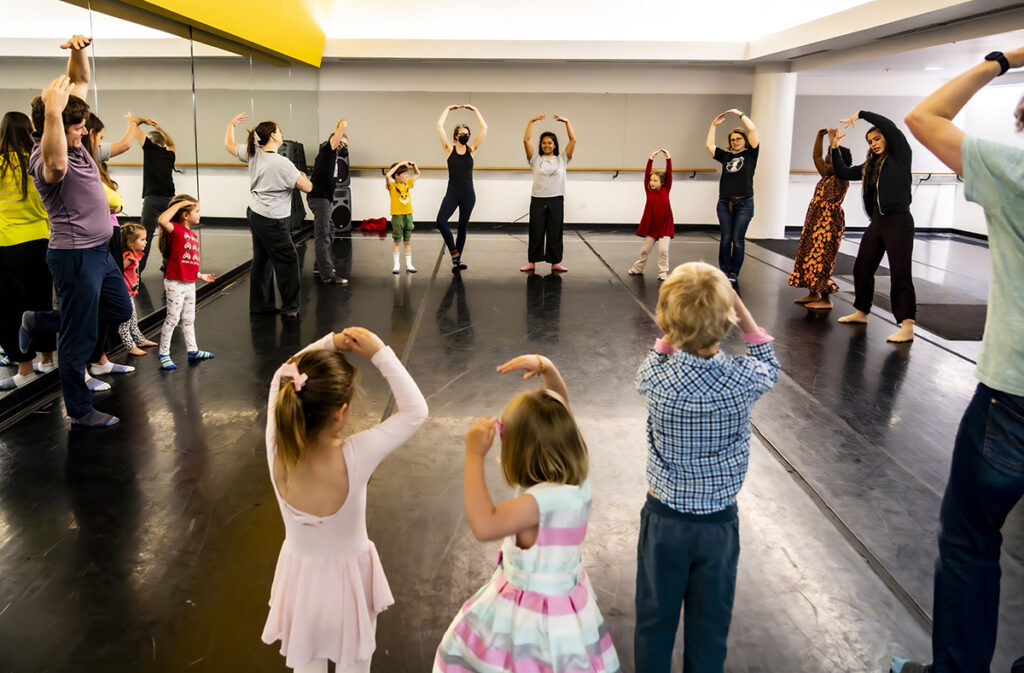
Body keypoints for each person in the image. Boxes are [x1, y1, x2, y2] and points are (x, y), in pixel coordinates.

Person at [890, 46, 1024, 673]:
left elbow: (925, 117)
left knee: (971, 540)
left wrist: (1003, 57)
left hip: (1014, 395)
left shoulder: (1015, 173)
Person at [633, 261, 779, 673]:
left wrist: (673, 327)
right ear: (728, 320)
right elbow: (770, 363)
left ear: (665, 322)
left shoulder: (655, 380)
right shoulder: (745, 378)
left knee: (654, 623)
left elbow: (654, 357)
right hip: (718, 525)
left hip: (664, 522)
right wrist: (740, 308)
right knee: (710, 627)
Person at [434, 354, 621, 673]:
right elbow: (560, 406)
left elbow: (484, 523)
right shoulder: (576, 483)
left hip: (531, 620)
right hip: (568, 611)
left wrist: (473, 455)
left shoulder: (538, 503)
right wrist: (546, 366)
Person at [262, 326, 428, 673]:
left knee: (307, 665)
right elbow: (415, 411)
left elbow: (282, 373)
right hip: (349, 588)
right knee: (356, 665)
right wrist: (379, 351)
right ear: (340, 414)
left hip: (301, 585)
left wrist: (330, 342)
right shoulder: (356, 455)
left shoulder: (276, 444)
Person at [23, 70, 133, 427]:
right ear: (53, 124)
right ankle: (80, 409)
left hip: (100, 252)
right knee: (78, 337)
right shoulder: (46, 159)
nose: (86, 132)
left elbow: (79, 81)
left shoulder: (77, 145)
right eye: (78, 127)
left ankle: (41, 321)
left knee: (119, 310)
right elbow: (55, 167)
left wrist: (77, 50)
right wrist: (53, 113)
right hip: (75, 256)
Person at [830, 110, 917, 343]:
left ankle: (907, 326)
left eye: (877, 139)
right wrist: (835, 148)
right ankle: (861, 312)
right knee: (862, 268)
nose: (874, 143)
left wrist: (860, 114)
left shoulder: (900, 155)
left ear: (887, 139)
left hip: (899, 221)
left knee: (900, 273)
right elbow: (843, 172)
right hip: (877, 222)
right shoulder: (871, 165)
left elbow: (888, 124)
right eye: (870, 141)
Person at [225, 113, 311, 318]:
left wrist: (231, 124)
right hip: (273, 219)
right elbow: (307, 187)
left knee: (262, 259)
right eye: (279, 131)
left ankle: (261, 305)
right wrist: (304, 176)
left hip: (255, 214)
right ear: (273, 136)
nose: (282, 134)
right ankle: (291, 308)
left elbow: (228, 145)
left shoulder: (253, 153)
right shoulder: (282, 163)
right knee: (288, 261)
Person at [0, 111, 56, 390]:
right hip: (39, 241)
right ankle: (47, 359)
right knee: (41, 304)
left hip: (6, 245)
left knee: (12, 309)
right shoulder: (36, 163)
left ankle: (25, 369)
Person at [787, 129, 853, 310]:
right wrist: (819, 135)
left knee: (822, 259)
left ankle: (826, 299)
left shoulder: (842, 178)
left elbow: (835, 160)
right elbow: (816, 156)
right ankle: (813, 292)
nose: (826, 163)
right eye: (827, 160)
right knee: (808, 256)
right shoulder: (826, 176)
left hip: (829, 224)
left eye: (831, 161)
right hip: (814, 222)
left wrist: (834, 142)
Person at [155, 195, 215, 370]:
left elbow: (190, 260)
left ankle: (192, 349)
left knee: (189, 318)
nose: (200, 214)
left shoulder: (192, 235)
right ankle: (164, 353)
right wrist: (182, 203)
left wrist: (200, 275)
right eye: (196, 211)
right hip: (175, 283)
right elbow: (162, 219)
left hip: (189, 283)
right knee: (173, 318)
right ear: (185, 215)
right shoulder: (174, 229)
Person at [706, 109, 759, 286]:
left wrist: (739, 114)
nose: (735, 142)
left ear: (744, 140)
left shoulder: (751, 154)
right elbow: (709, 146)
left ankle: (734, 272)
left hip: (744, 204)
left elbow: (753, 130)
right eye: (732, 140)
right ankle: (723, 271)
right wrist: (713, 125)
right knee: (725, 239)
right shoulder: (727, 156)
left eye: (738, 139)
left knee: (737, 240)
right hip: (724, 203)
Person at [435, 103, 488, 271]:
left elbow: (484, 128)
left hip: (468, 194)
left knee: (462, 227)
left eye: (467, 133)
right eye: (461, 133)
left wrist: (475, 110)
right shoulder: (449, 149)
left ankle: (457, 261)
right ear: (456, 136)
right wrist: (448, 108)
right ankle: (454, 252)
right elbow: (439, 126)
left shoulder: (471, 150)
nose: (465, 135)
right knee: (441, 221)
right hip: (452, 193)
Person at [522, 114, 576, 273]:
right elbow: (526, 141)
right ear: (541, 145)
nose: (547, 145)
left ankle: (555, 262)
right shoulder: (534, 159)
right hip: (538, 200)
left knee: (555, 232)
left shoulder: (562, 159)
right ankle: (532, 262)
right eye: (544, 143)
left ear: (554, 145)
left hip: (556, 199)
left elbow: (573, 141)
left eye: (550, 143)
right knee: (536, 231)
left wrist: (567, 122)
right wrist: (531, 121)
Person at [307, 118, 349, 285]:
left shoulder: (336, 159)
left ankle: (320, 266)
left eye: (346, 145)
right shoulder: (327, 150)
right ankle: (327, 275)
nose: (343, 146)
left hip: (324, 199)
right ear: (335, 141)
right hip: (319, 198)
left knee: (329, 229)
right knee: (323, 234)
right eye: (341, 142)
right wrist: (342, 125)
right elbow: (337, 136)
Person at [628, 148, 674, 280]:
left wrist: (668, 158)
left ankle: (663, 272)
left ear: (662, 182)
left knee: (663, 251)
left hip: (665, 226)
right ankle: (638, 268)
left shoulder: (666, 189)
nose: (652, 183)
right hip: (652, 226)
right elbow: (647, 174)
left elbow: (669, 174)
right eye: (651, 180)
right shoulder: (649, 192)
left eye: (655, 180)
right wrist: (651, 159)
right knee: (644, 251)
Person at [116, 222, 157, 356]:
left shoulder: (135, 254)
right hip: (124, 293)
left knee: (133, 319)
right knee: (125, 321)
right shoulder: (128, 257)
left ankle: (139, 340)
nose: (146, 242)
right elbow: (117, 271)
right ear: (131, 243)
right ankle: (130, 346)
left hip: (130, 292)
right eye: (142, 239)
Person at [385, 160, 421, 274]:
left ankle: (409, 265)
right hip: (397, 217)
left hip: (408, 215)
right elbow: (387, 175)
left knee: (407, 242)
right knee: (397, 242)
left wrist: (414, 165)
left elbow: (417, 174)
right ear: (397, 175)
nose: (407, 176)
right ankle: (396, 265)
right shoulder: (392, 186)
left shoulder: (408, 184)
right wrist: (400, 164)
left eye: (407, 174)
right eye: (404, 174)